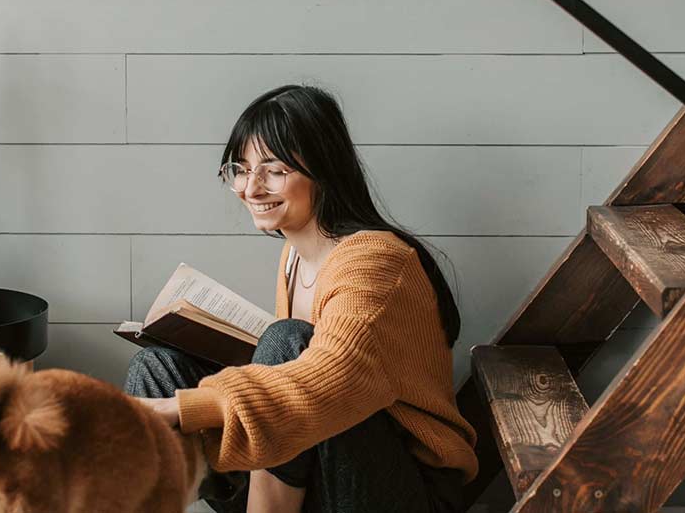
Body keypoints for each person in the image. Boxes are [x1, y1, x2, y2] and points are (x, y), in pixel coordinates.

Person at [125, 84, 478, 513]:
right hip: (319, 471)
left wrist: (182, 407)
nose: (250, 188)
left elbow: (328, 380)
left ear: (324, 170)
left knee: (285, 342)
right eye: (240, 168)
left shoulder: (376, 261)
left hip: (401, 491)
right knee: (156, 367)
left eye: (273, 170)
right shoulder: (294, 256)